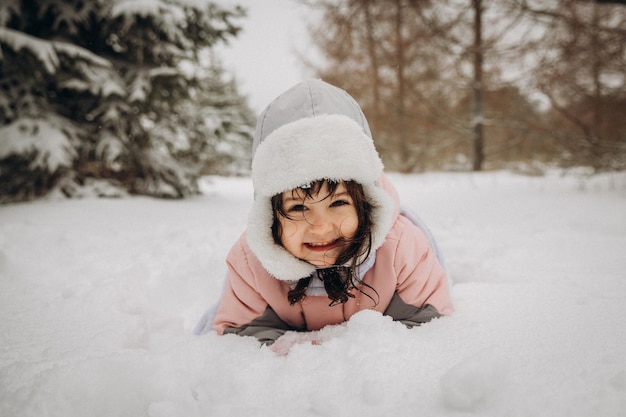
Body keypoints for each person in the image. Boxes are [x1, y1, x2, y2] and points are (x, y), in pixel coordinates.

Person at [196, 79, 453, 346]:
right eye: (298, 208)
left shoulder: (400, 250)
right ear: (272, 216)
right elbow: (242, 341)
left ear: (364, 203)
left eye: (338, 203)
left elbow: (426, 329)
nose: (320, 226)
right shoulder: (252, 263)